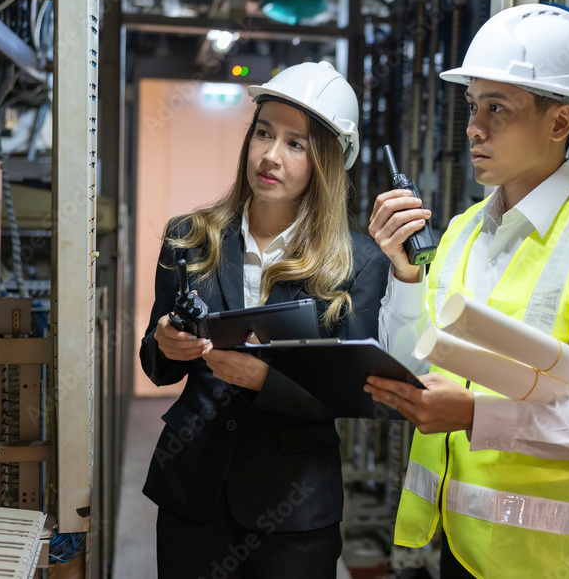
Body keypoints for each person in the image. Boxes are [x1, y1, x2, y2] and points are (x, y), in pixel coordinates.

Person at [365, 4, 569, 578]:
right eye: (473, 106)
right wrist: (404, 277)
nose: (474, 127)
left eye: (498, 109)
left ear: (559, 122)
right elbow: (410, 363)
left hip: (547, 561)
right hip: (457, 547)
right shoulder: (461, 232)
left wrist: (479, 416)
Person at [140, 61, 389, 578]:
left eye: (296, 144)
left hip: (295, 508)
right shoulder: (190, 238)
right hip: (194, 492)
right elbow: (156, 365)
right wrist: (165, 344)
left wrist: (266, 380)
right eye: (264, 133)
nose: (270, 155)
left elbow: (358, 393)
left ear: (328, 161)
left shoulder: (359, 263)